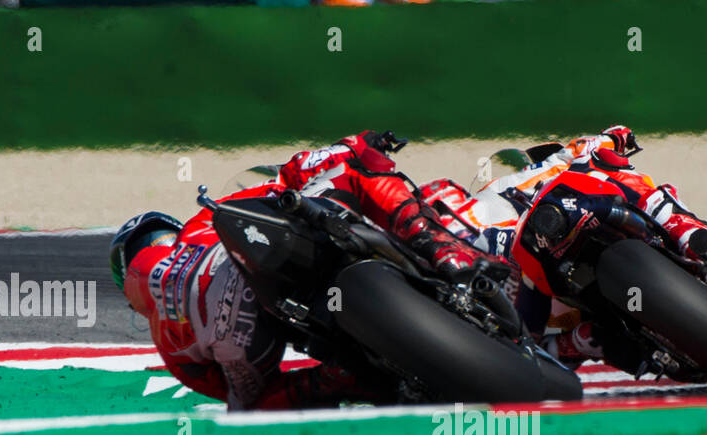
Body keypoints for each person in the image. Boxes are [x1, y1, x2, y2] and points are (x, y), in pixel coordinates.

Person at [109, 131, 506, 410]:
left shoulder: (169, 348)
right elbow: (287, 178)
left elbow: (244, 401)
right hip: (255, 278)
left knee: (262, 403)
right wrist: (359, 144)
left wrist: (322, 385)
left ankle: (347, 379)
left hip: (250, 338)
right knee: (355, 162)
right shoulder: (200, 223)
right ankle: (441, 246)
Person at [418, 125, 707, 366]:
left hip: (539, 266)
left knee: (620, 172)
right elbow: (597, 143)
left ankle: (686, 234)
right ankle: (688, 232)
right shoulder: (530, 175)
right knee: (615, 168)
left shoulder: (528, 179)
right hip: (535, 267)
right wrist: (617, 136)